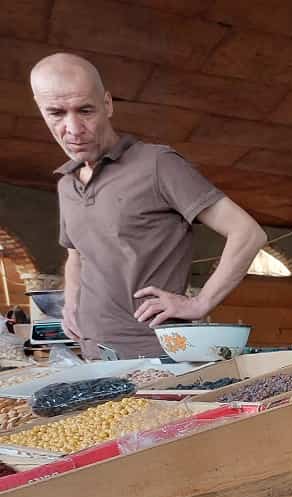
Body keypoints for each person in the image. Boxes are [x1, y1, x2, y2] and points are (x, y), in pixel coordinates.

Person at [30, 53, 266, 359]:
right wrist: (72, 299)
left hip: (155, 356)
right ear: (40, 109)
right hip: (92, 353)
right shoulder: (66, 183)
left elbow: (248, 233)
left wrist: (200, 303)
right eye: (56, 113)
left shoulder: (157, 164)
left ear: (108, 104)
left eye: (85, 110)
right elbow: (76, 253)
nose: (73, 128)